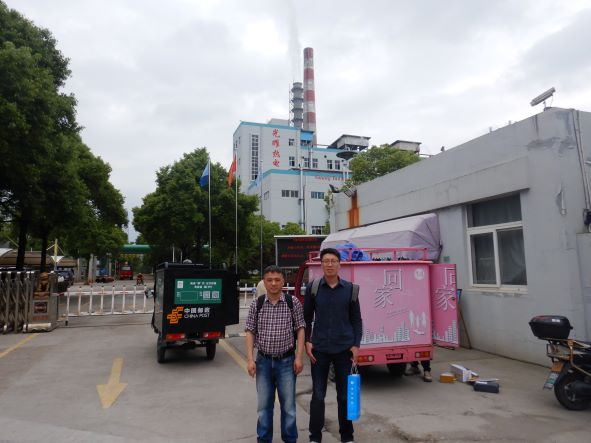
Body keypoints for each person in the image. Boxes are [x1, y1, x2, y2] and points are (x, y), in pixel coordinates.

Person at [304, 248, 363, 443]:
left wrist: (356, 345)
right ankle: (315, 437)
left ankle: (347, 437)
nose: (329, 264)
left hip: (344, 350)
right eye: (326, 261)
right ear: (321, 264)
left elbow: (356, 320)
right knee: (318, 395)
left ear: (339, 264)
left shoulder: (350, 289)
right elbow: (306, 319)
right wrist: (307, 341)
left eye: (333, 261)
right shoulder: (313, 288)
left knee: (344, 397)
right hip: (319, 350)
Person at [245, 265, 305, 443]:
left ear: (283, 282)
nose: (273, 283)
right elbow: (250, 331)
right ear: (264, 282)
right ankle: (264, 439)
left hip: (287, 362)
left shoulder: (292, 302)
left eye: (277, 280)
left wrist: (299, 357)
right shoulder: (257, 304)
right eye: (269, 280)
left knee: (288, 407)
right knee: (264, 407)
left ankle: (290, 439)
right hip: (263, 362)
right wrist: (250, 359)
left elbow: (300, 329)